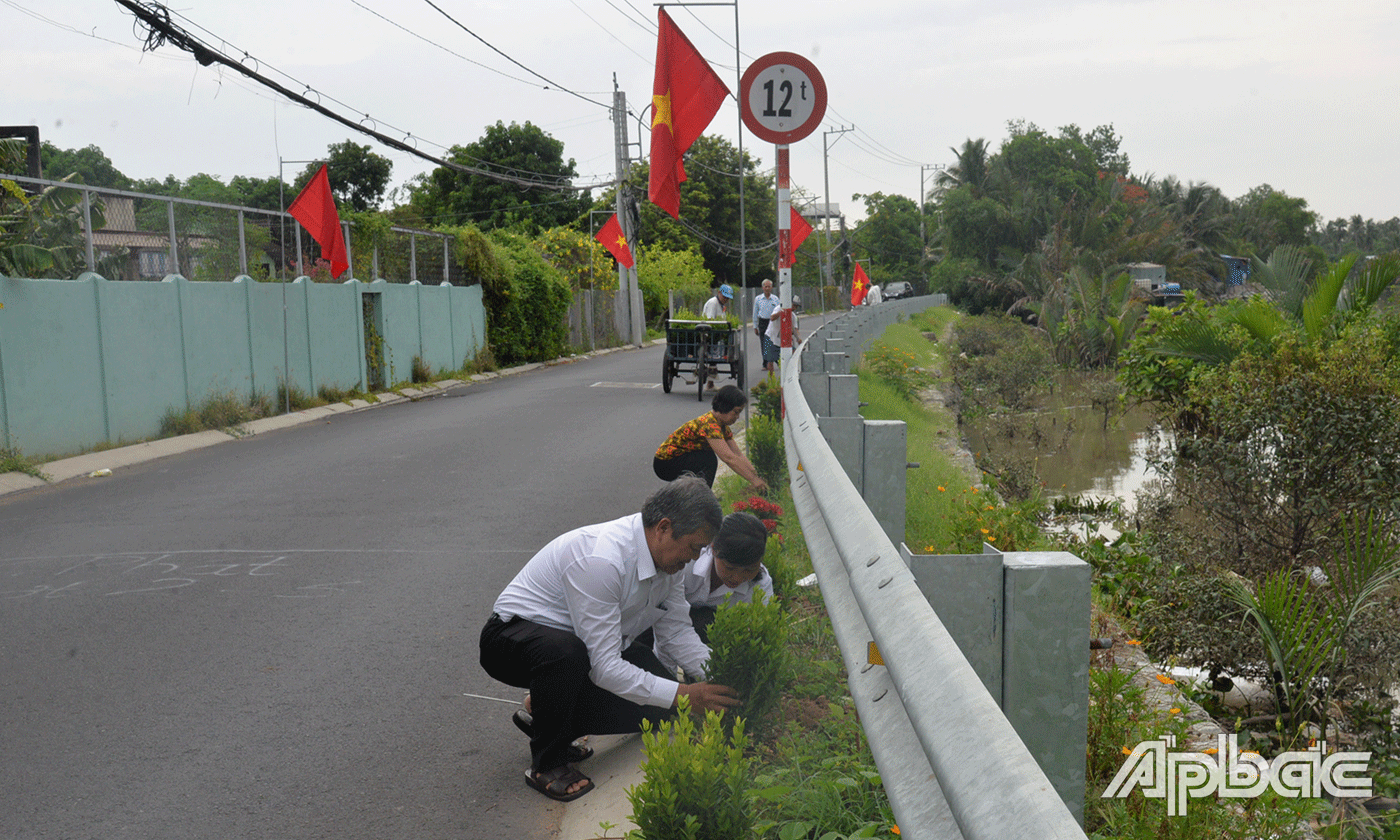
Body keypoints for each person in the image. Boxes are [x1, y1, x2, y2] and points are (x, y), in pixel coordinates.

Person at [479, 476, 740, 802]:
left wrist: (718, 677)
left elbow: (675, 631)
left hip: (585, 649)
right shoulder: (602, 559)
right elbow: (603, 667)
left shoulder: (669, 563)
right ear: (663, 528)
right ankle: (547, 763)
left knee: (660, 708)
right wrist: (685, 693)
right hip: (512, 639)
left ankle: (546, 716)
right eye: (693, 547)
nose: (693, 558)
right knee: (568, 653)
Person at [647, 512, 773, 675]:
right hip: (657, 621)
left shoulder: (760, 586)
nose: (737, 578)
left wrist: (720, 675)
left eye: (749, 570)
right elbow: (668, 626)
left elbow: (755, 638)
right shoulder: (686, 563)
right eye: (730, 568)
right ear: (713, 549)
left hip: (700, 639)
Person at [653, 384, 769, 493]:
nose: (737, 417)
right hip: (665, 463)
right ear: (725, 406)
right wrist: (753, 480)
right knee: (708, 460)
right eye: (736, 412)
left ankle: (697, 496)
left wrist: (756, 475)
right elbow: (728, 458)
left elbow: (738, 455)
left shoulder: (722, 426)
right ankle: (701, 498)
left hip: (681, 458)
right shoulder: (709, 425)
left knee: (706, 458)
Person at [753, 280, 780, 373]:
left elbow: (778, 311)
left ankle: (776, 360)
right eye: (765, 286)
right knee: (764, 343)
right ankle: (765, 363)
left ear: (772, 287)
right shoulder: (758, 299)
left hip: (772, 322)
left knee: (774, 341)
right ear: (762, 288)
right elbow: (755, 313)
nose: (767, 288)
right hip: (762, 322)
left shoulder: (775, 299)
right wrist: (755, 326)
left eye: (769, 286)